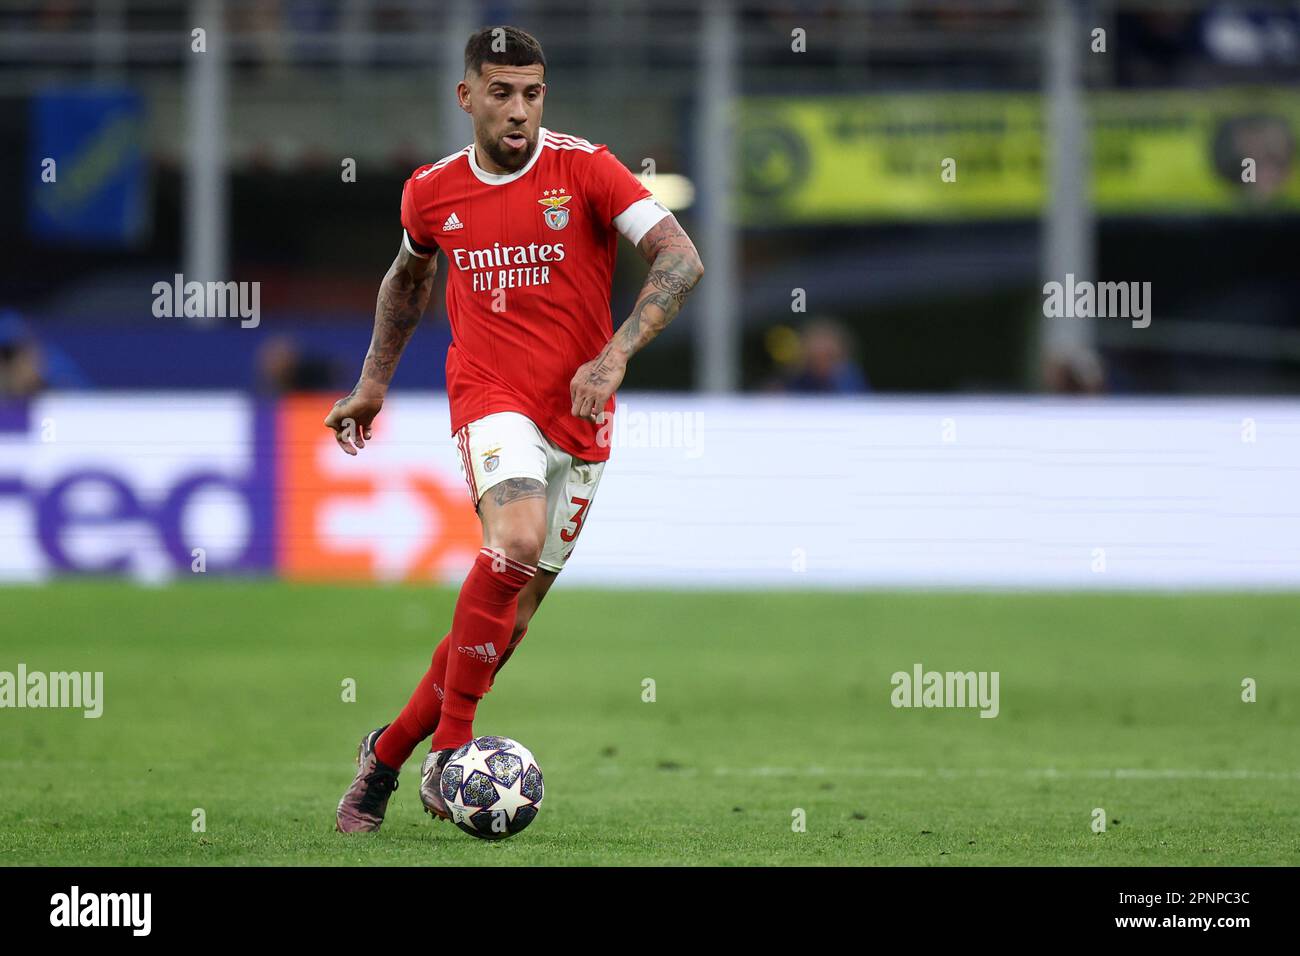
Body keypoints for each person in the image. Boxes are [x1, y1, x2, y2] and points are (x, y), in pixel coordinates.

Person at [327, 25, 703, 833]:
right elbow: (407, 283)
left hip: (582, 411)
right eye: (501, 93)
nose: (520, 110)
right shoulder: (431, 192)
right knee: (517, 541)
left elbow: (679, 258)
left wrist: (615, 353)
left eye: (532, 93)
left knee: (511, 622)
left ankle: (384, 756)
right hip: (491, 396)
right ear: (467, 98)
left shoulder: (587, 168)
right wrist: (371, 385)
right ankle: (449, 756)